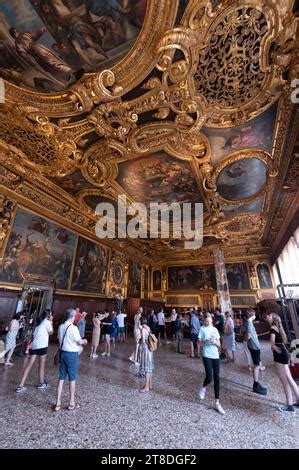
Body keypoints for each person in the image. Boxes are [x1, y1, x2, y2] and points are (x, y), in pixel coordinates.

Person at [54, 309, 87, 412]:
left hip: (63, 353)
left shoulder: (61, 327)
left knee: (61, 377)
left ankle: (58, 403)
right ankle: (71, 403)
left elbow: (60, 340)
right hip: (72, 355)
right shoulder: (73, 328)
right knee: (72, 379)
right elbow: (79, 341)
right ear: (73, 317)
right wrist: (85, 341)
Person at [266, 313, 299, 413]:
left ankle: (290, 406)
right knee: (289, 378)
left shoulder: (272, 327)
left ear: (273, 318)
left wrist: (274, 347)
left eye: (269, 315)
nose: (267, 316)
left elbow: (272, 341)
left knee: (284, 381)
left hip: (279, 355)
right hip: (282, 352)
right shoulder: (278, 326)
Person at [15, 309, 53, 393]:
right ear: (48, 315)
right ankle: (42, 383)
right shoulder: (47, 322)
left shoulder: (38, 323)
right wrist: (51, 321)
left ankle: (21, 385)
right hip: (42, 346)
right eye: (50, 314)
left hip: (34, 346)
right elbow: (51, 332)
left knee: (29, 365)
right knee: (41, 365)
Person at [198, 313, 225, 415]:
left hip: (215, 356)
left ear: (212, 321)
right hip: (206, 355)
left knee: (217, 378)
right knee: (209, 377)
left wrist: (215, 342)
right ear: (204, 321)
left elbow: (219, 345)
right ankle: (203, 386)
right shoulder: (202, 329)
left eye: (210, 321)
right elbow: (199, 342)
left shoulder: (215, 330)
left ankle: (217, 402)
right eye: (207, 321)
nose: (208, 322)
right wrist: (205, 341)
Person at [245, 310, 267, 395]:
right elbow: (248, 336)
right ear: (252, 315)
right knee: (257, 365)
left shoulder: (248, 322)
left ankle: (256, 383)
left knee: (257, 364)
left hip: (253, 345)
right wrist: (247, 340)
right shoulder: (249, 323)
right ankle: (256, 383)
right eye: (254, 315)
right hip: (254, 346)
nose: (255, 316)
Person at [138, 316, 154, 392]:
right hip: (150, 350)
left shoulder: (143, 329)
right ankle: (150, 384)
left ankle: (146, 387)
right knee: (149, 368)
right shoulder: (148, 328)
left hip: (146, 350)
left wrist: (139, 339)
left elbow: (143, 342)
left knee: (147, 369)